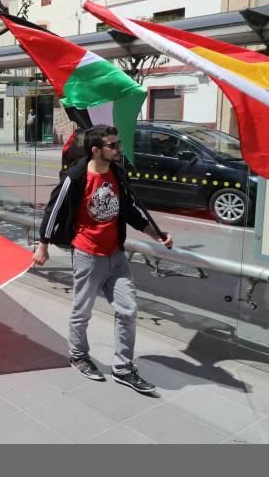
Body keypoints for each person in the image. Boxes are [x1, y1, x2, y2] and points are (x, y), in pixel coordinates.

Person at [33, 125, 173, 394]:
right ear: (96, 150)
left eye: (118, 144)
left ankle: (123, 368)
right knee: (82, 310)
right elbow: (54, 210)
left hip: (116, 255)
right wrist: (43, 245)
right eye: (113, 145)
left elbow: (130, 209)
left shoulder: (117, 173)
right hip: (87, 255)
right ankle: (78, 355)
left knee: (128, 309)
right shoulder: (75, 177)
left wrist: (155, 234)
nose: (118, 149)